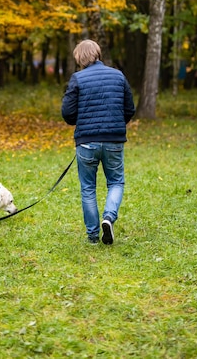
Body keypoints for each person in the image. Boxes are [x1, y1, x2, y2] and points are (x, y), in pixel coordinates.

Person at [61, 39, 135, 245]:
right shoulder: (118, 76)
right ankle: (109, 217)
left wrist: (81, 122)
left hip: (86, 143)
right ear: (98, 54)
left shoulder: (77, 78)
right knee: (116, 182)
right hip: (114, 140)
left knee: (88, 188)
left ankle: (93, 236)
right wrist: (116, 125)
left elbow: (67, 113)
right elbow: (130, 108)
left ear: (79, 58)